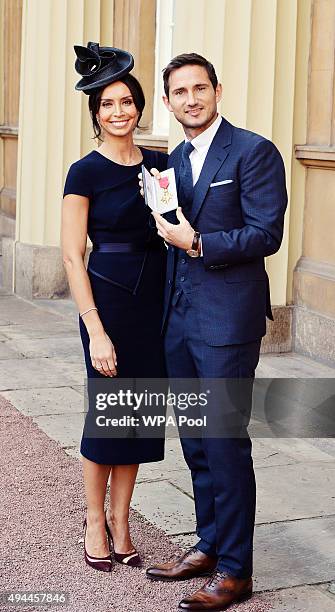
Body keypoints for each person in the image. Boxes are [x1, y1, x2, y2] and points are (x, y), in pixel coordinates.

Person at [145, 53, 287, 610]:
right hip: (178, 322)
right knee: (198, 444)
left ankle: (235, 569)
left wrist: (198, 243)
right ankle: (209, 543)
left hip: (227, 324)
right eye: (179, 92)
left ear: (217, 91)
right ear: (168, 102)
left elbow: (265, 232)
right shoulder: (172, 161)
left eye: (199, 89)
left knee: (226, 443)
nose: (191, 99)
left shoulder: (254, 151)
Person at [62, 42, 167, 573]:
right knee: (108, 417)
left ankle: (123, 519)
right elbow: (71, 255)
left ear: (139, 107)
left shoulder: (161, 164)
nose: (119, 111)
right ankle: (93, 520)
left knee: (139, 416)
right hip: (106, 302)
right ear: (96, 113)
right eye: (108, 104)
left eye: (127, 102)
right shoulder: (84, 172)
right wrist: (95, 329)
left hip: (155, 302)